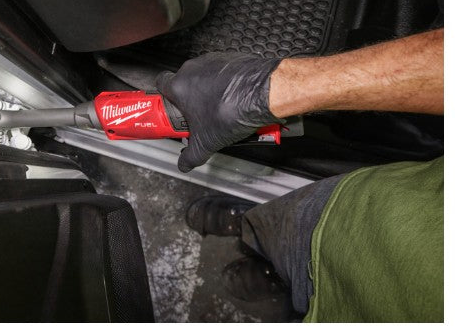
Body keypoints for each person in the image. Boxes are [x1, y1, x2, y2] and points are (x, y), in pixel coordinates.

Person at [155, 28, 444, 322]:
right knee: (284, 227)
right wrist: (272, 89)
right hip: (364, 217)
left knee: (300, 290)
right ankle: (250, 228)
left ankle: (275, 276)